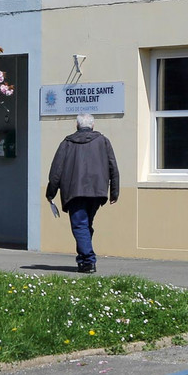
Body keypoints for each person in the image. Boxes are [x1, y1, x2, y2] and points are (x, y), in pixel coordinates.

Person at [46, 113, 119, 273]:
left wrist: (51, 192)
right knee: (86, 225)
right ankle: (83, 260)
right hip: (97, 191)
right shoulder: (103, 141)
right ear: (93, 125)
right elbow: (112, 166)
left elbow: (56, 170)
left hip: (74, 191)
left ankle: (88, 260)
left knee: (80, 225)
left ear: (76, 126)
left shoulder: (67, 143)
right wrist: (114, 191)